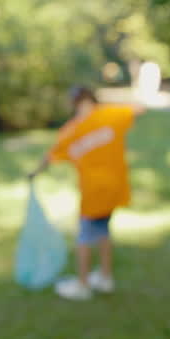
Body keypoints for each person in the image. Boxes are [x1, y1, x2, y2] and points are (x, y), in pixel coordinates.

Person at [28, 87, 143, 300]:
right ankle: (106, 277)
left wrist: (34, 173)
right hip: (115, 186)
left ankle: (83, 284)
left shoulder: (70, 131)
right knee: (103, 230)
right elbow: (137, 109)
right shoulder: (112, 114)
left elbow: (50, 156)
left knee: (84, 236)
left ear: (74, 103)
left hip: (92, 191)